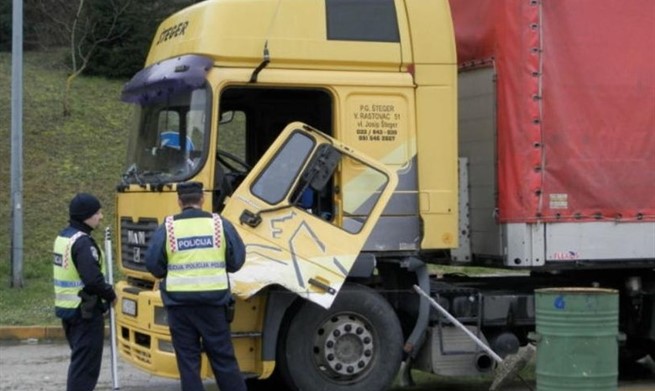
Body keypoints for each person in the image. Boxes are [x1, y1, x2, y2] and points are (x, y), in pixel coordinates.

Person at [145, 181, 247, 391]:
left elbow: (154, 266)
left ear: (179, 201)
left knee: (188, 364)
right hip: (214, 306)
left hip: (179, 307)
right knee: (224, 360)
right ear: (202, 199)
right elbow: (236, 261)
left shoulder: (169, 227)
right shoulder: (220, 224)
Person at [53, 193, 117, 391]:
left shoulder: (64, 237)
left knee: (80, 363)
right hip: (85, 314)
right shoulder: (82, 243)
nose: (101, 216)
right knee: (84, 370)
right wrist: (110, 295)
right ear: (86, 216)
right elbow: (92, 279)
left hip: (69, 310)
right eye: (97, 212)